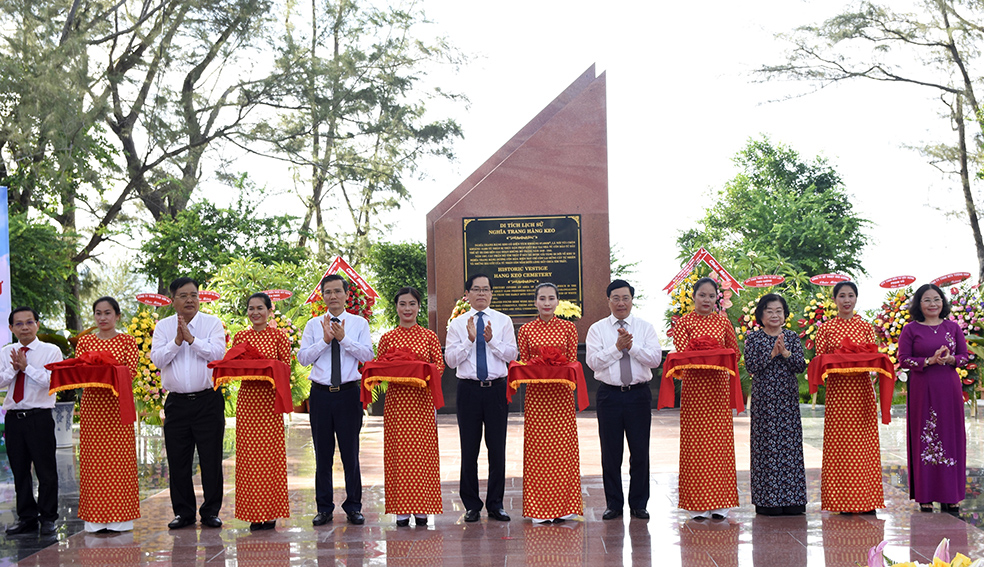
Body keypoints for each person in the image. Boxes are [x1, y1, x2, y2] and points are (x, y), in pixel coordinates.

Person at [150, 277, 228, 529]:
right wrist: (176, 342)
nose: (190, 300)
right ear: (173, 300)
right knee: (178, 459)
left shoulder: (212, 324)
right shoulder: (163, 327)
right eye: (183, 295)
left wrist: (192, 340)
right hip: (177, 404)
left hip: (208, 401)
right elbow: (158, 360)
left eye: (194, 295)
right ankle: (183, 513)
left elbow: (218, 355)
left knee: (211, 459)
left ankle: (210, 512)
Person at [297, 274, 373, 526]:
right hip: (320, 395)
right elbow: (303, 359)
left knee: (350, 452)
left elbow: (367, 355)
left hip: (349, 394)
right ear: (322, 296)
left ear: (346, 294)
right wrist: (325, 340)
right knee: (323, 454)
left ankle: (354, 506)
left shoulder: (358, 323)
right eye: (327, 292)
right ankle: (324, 507)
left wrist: (343, 339)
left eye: (337, 291)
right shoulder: (313, 325)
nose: (333, 296)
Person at [586, 279, 662, 520]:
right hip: (609, 395)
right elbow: (593, 362)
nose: (621, 303)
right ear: (608, 301)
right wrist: (617, 348)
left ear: (632, 300)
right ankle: (614, 504)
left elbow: (654, 359)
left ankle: (639, 504)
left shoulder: (645, 327)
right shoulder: (597, 329)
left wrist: (632, 346)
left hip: (638, 395)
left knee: (640, 451)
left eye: (625, 298)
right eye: (616, 298)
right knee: (611, 452)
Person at [446, 273, 518, 523]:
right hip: (468, 390)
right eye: (476, 289)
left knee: (497, 449)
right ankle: (471, 505)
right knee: (469, 448)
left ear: (491, 293)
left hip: (497, 389)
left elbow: (512, 354)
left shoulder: (503, 321)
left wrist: (491, 340)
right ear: (467, 294)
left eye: (486, 290)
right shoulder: (457, 324)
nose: (481, 294)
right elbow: (450, 360)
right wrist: (469, 340)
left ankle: (496, 504)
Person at [671, 277, 740, 520]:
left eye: (712, 296)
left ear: (717, 298)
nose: (707, 300)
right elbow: (681, 353)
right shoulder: (683, 323)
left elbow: (734, 352)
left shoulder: (723, 321)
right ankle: (696, 503)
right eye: (702, 295)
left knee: (719, 445)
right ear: (693, 296)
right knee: (696, 445)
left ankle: (721, 502)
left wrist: (717, 355)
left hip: (717, 390)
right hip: (695, 390)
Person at [375, 287, 444, 527]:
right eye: (402, 304)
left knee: (422, 454)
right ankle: (401, 509)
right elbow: (379, 366)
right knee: (399, 454)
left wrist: (421, 374)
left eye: (412, 304)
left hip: (422, 402)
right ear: (396, 307)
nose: (407, 309)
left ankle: (423, 508)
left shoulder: (429, 336)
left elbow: (440, 366)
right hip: (397, 403)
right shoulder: (387, 338)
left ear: (419, 307)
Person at [813, 280, 884, 514]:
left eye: (850, 295)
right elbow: (820, 360)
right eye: (841, 296)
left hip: (861, 391)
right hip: (838, 394)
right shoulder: (825, 328)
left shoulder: (865, 327)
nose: (846, 300)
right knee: (840, 445)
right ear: (834, 300)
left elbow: (872, 357)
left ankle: (867, 500)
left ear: (856, 299)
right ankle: (843, 501)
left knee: (864, 444)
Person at [898, 283, 968, 512]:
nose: (932, 304)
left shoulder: (953, 327)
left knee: (950, 436)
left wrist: (950, 360)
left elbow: (964, 356)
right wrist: (928, 361)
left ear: (943, 302)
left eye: (936, 299)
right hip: (922, 388)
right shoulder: (911, 329)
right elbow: (904, 360)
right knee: (925, 436)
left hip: (948, 388)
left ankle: (950, 494)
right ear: (919, 304)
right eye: (927, 300)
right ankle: (925, 494)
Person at [516, 282, 582, 523]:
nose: (546, 303)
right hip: (536, 398)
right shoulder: (525, 330)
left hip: (561, 397)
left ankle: (565, 507)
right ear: (535, 302)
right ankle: (538, 508)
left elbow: (573, 362)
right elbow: (524, 363)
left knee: (563, 450)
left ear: (557, 301)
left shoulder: (568, 328)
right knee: (538, 452)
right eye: (542, 298)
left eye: (551, 298)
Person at [75, 296, 141, 532]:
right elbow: (79, 371)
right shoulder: (85, 343)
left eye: (107, 313)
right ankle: (94, 519)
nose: (102, 318)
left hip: (118, 406)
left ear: (117, 316)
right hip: (93, 407)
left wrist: (106, 367)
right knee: (94, 462)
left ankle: (121, 518)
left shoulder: (127, 341)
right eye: (98, 313)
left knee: (120, 461)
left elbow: (131, 371)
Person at [230, 293, 292, 530]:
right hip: (248, 401)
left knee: (270, 458)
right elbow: (234, 366)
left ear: (269, 310)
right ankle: (254, 512)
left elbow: (285, 369)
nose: (255, 312)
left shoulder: (279, 336)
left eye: (260, 308)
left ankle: (271, 511)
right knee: (249, 458)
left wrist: (269, 368)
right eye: (251, 308)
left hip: (269, 402)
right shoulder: (241, 337)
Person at [0, 307, 63, 536]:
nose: (24, 327)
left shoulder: (50, 351)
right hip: (14, 419)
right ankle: (27, 517)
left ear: (37, 324)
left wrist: (27, 368)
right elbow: (0, 381)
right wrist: (14, 371)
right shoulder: (6, 351)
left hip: (39, 417)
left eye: (29, 322)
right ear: (11, 328)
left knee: (46, 471)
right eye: (18, 324)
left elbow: (52, 381)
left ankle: (48, 518)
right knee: (19, 470)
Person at [743, 293, 807, 516]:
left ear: (784, 314)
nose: (774, 315)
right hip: (764, 403)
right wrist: (771, 354)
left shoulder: (791, 336)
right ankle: (768, 501)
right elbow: (751, 366)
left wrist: (786, 353)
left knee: (790, 448)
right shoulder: (754, 338)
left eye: (779, 311)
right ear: (761, 314)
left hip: (787, 402)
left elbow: (800, 366)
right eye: (769, 310)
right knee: (766, 449)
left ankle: (793, 500)